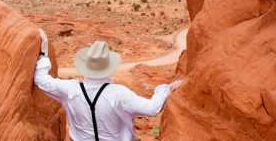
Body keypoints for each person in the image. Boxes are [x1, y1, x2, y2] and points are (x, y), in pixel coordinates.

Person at [34, 29, 183, 141]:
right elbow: (152, 108)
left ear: (86, 66)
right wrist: (165, 89)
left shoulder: (70, 89)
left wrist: (43, 54)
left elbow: (41, 81)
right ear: (109, 67)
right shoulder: (119, 94)